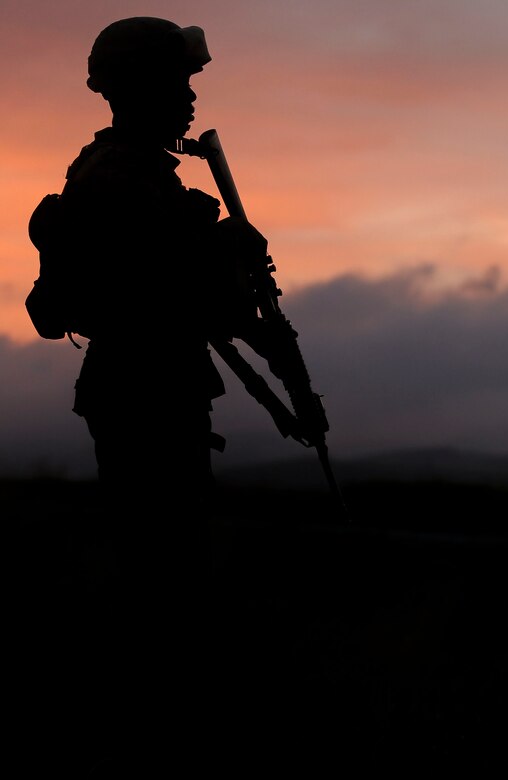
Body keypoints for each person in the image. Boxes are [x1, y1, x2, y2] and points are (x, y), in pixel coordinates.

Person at [29, 18, 268, 768]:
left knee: (164, 573)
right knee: (164, 582)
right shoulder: (123, 181)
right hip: (145, 393)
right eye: (181, 79)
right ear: (143, 84)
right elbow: (179, 300)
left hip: (145, 388)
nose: (192, 96)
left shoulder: (135, 174)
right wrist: (230, 261)